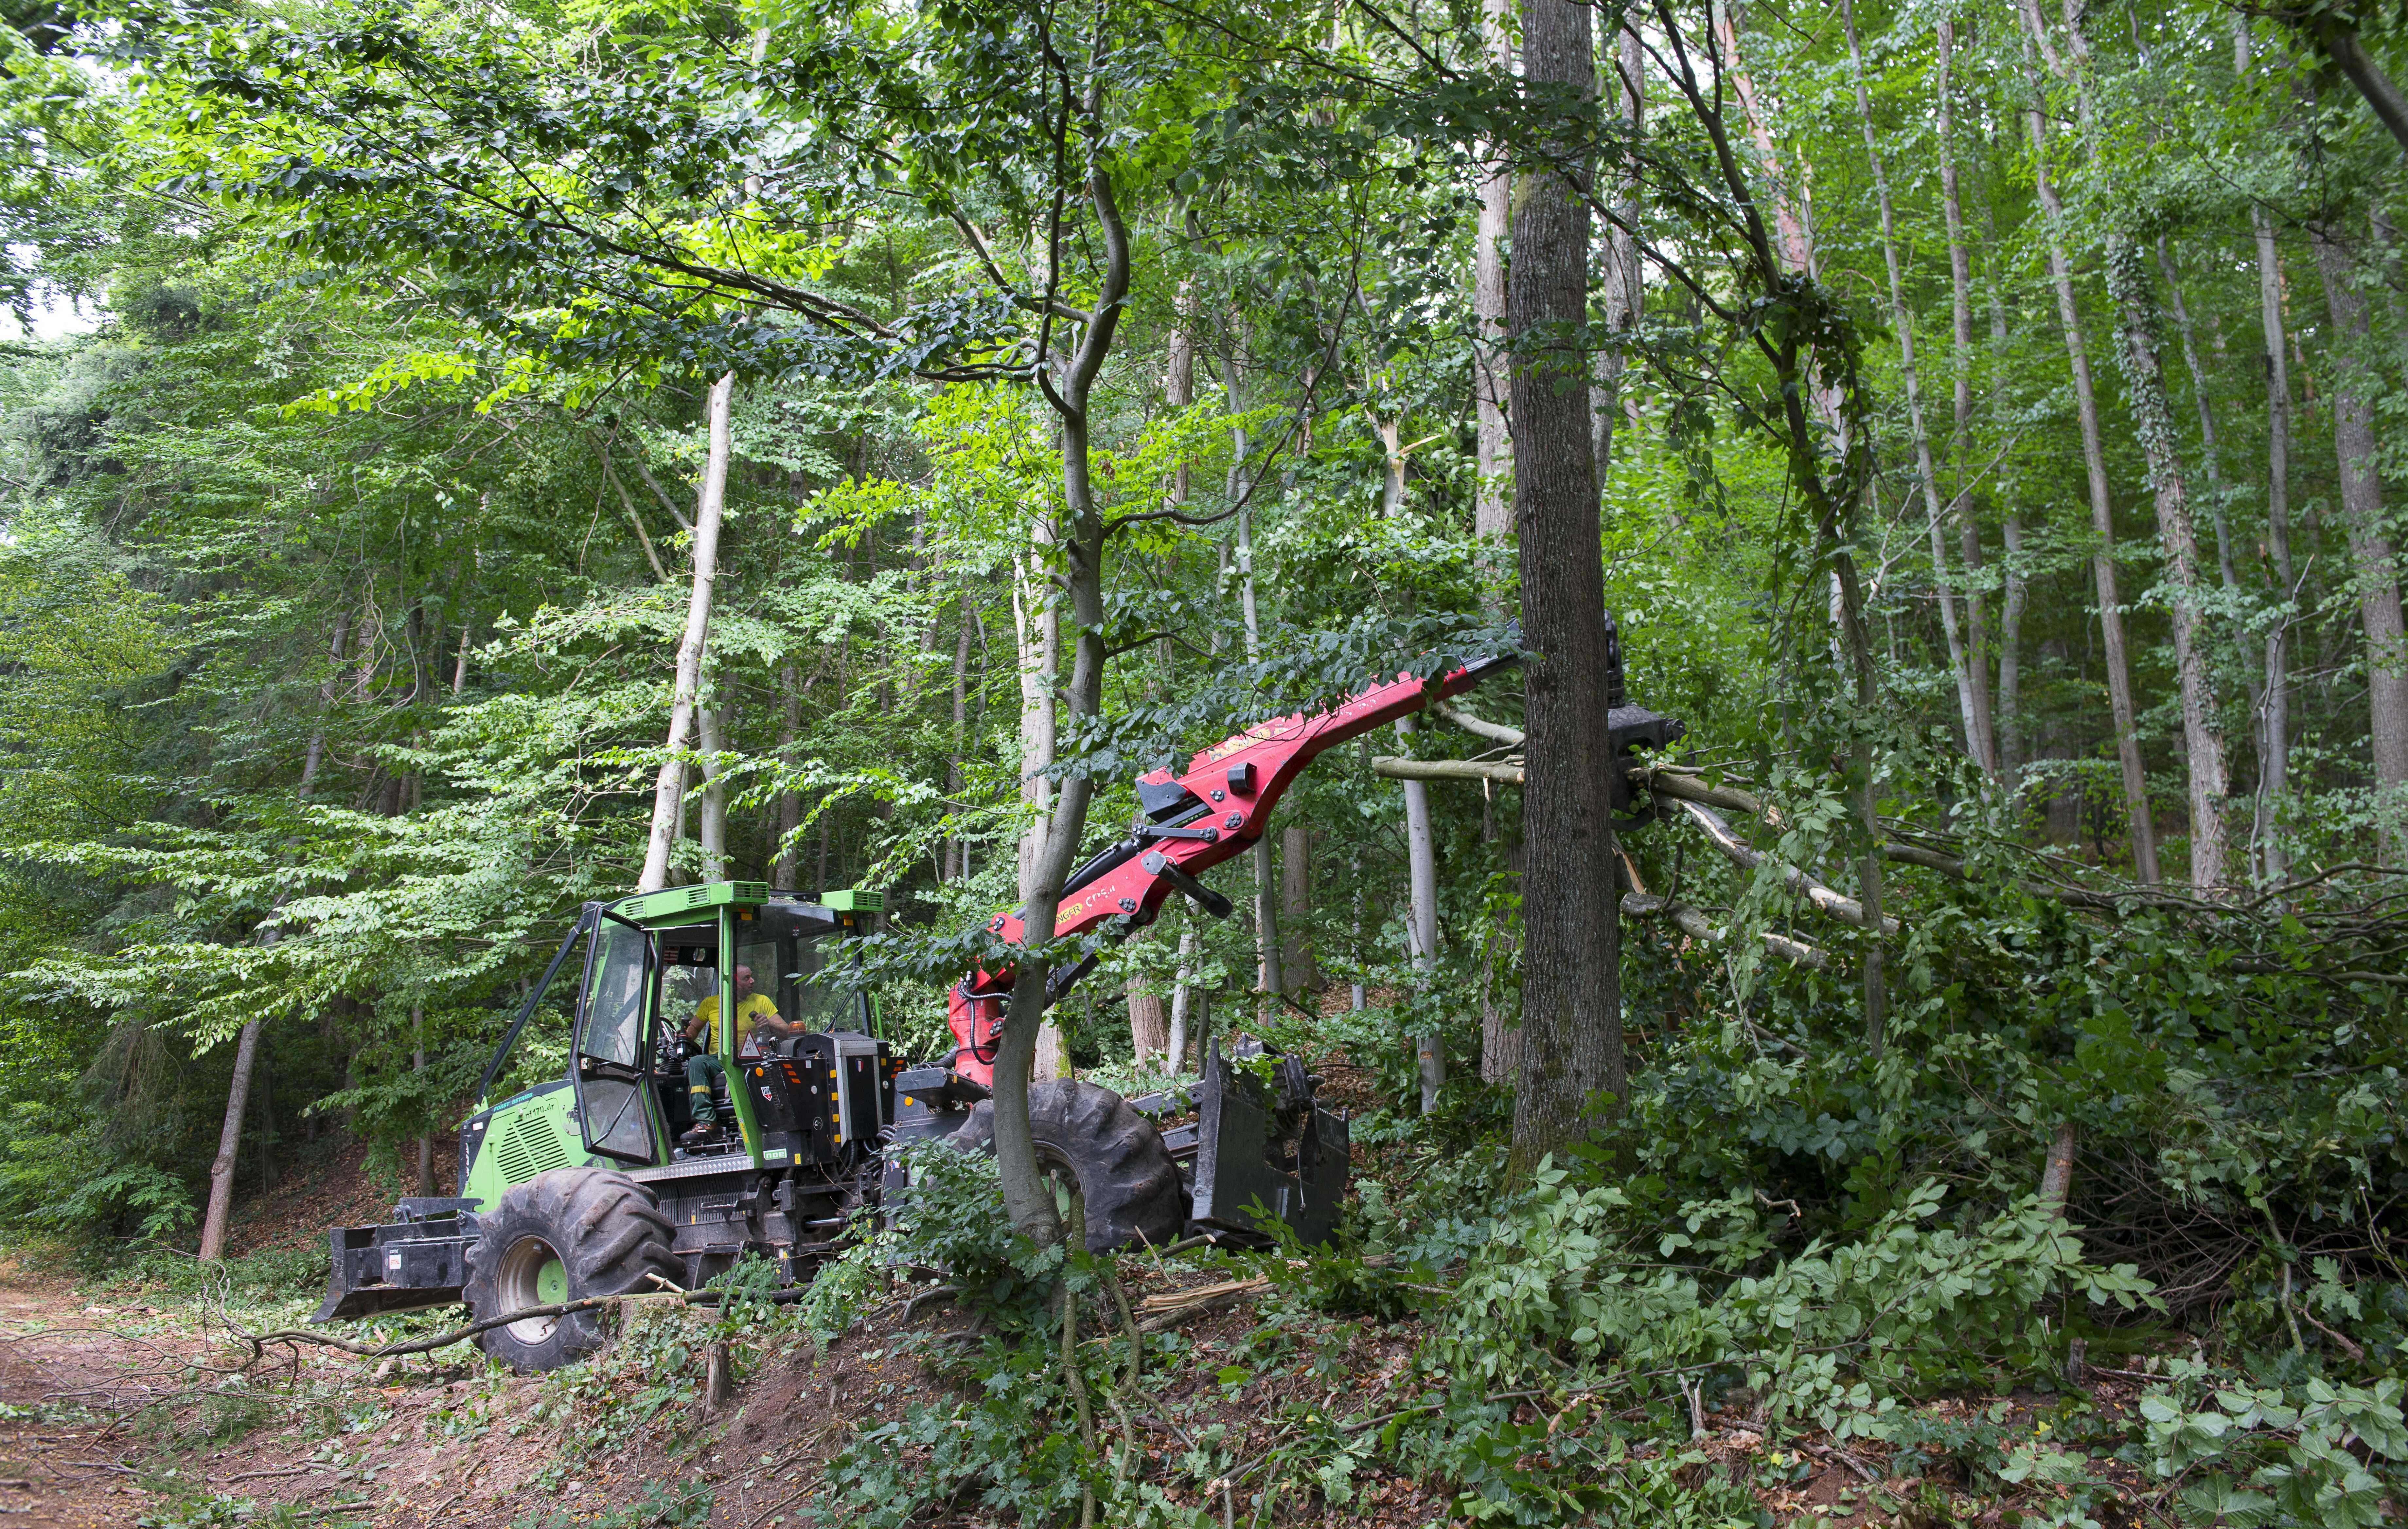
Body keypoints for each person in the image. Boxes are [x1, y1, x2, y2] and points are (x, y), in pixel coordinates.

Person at [679, 964, 795, 1147]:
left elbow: (787, 1032)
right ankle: (706, 1122)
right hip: (718, 1060)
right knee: (696, 1062)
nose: (752, 981)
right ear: (733, 983)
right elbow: (692, 1031)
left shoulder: (761, 1001)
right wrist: (684, 1037)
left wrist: (769, 1024)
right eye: (747, 978)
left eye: (752, 977)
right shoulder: (711, 1004)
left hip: (751, 1059)